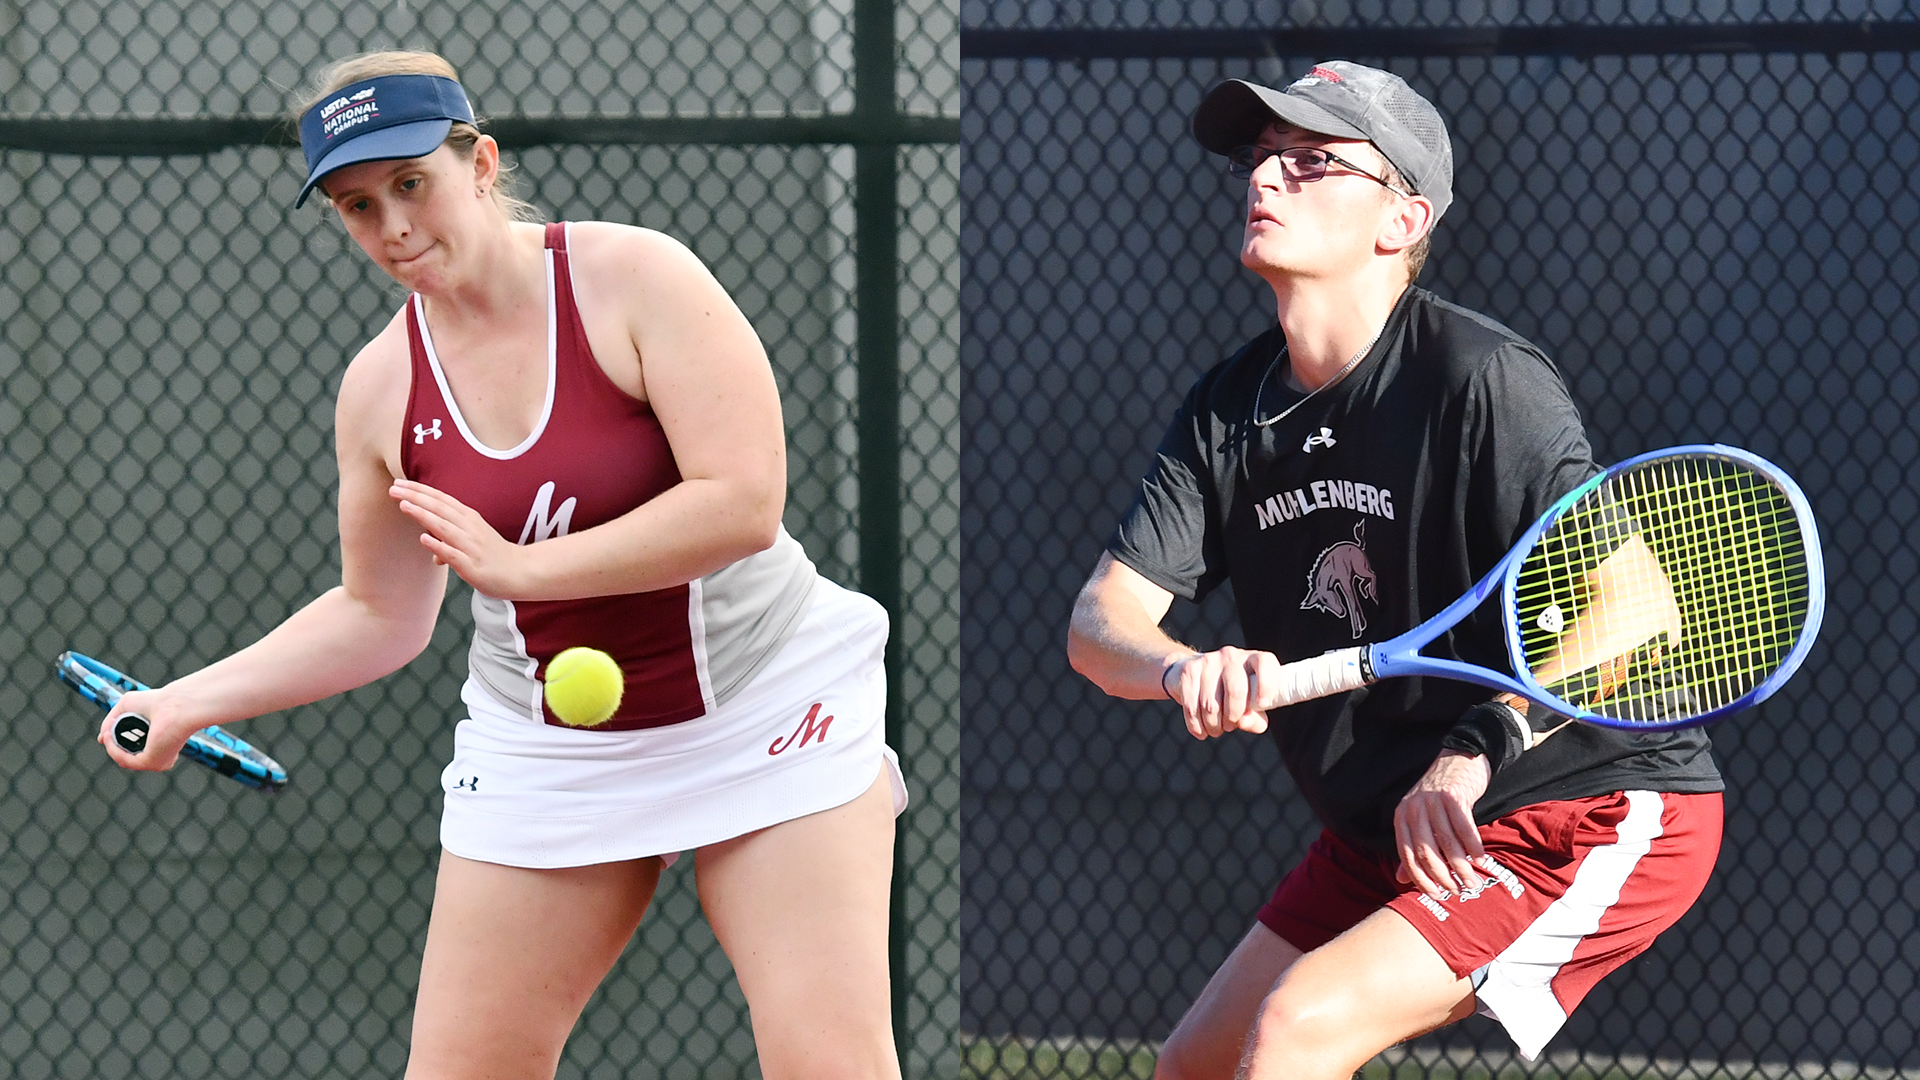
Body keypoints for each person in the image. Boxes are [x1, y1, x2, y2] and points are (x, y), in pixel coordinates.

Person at [97, 50, 906, 1080]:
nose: (390, 226)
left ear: (481, 162)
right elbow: (377, 613)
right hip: (552, 745)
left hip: (769, 705)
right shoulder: (381, 390)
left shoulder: (637, 279)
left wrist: (529, 573)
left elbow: (743, 504)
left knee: (828, 1062)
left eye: (408, 183)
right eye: (354, 206)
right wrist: (187, 702)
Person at [1065, 62, 1724, 1079]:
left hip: (1577, 800)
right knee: (1194, 1066)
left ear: (1400, 219)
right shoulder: (1225, 410)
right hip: (1396, 824)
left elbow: (1635, 604)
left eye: (1313, 159)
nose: (1268, 178)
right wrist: (1174, 667)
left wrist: (1476, 747)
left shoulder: (1481, 379)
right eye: (1262, 158)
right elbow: (1100, 623)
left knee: (1298, 1028)